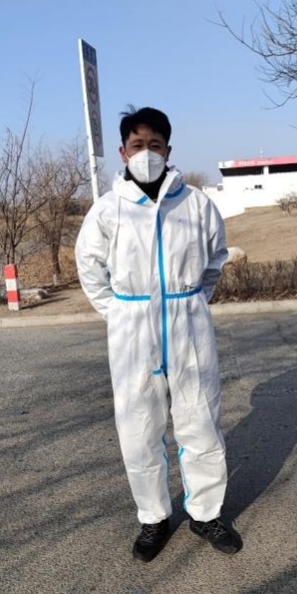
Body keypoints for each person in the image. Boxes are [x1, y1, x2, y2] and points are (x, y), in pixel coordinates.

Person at [75, 106, 242, 562]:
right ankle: (153, 517)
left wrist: (191, 302)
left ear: (168, 149)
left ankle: (205, 512)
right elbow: (89, 269)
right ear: (122, 152)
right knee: (138, 427)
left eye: (154, 145)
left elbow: (215, 260)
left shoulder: (196, 204)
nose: (146, 153)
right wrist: (119, 313)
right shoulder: (108, 210)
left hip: (188, 324)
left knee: (200, 421)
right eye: (137, 145)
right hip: (133, 331)